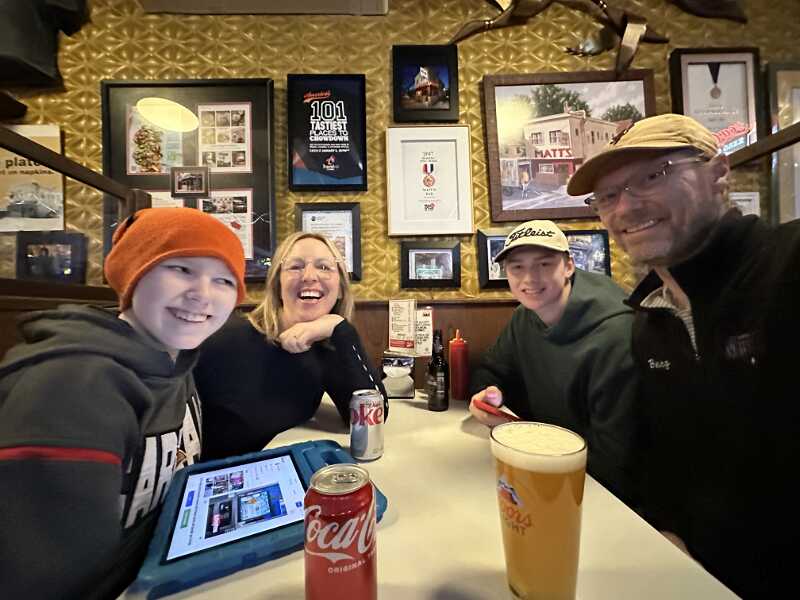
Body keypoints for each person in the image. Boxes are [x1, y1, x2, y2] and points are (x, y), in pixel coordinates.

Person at [566, 113, 800, 597]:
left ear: (718, 173)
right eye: (607, 196)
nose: (626, 206)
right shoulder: (651, 322)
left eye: (653, 176)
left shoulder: (788, 264)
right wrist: (666, 529)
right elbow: (666, 459)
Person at [0, 207, 245, 600]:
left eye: (224, 280)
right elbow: (43, 578)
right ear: (133, 273)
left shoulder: (176, 359)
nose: (203, 294)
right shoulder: (71, 385)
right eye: (181, 269)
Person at [468, 219, 639, 504]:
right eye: (517, 267)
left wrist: (523, 446)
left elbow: (615, 458)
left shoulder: (616, 333)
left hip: (601, 492)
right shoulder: (524, 316)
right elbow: (491, 370)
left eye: (544, 264)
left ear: (569, 266)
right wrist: (491, 396)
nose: (529, 279)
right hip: (541, 470)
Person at [194, 231, 387, 461]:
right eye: (295, 267)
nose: (309, 276)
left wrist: (341, 329)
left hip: (277, 468)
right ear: (277, 284)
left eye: (324, 267)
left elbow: (370, 417)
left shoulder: (325, 347)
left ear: (341, 289)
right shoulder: (223, 339)